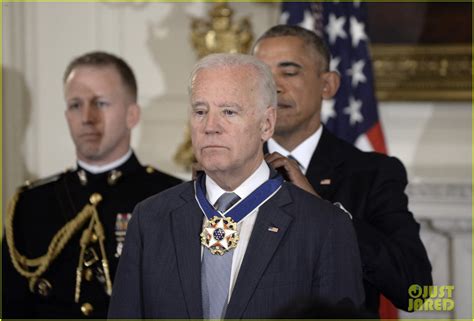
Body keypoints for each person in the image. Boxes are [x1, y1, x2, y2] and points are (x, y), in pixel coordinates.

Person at [108, 53, 365, 319]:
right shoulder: (150, 218)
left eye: (229, 112)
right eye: (200, 111)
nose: (210, 127)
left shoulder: (324, 226)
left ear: (266, 124)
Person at [252, 25, 432, 316]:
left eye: (289, 71)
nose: (273, 86)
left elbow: (417, 290)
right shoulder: (230, 168)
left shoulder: (373, 173)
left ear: (328, 85)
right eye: (262, 75)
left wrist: (324, 211)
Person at [2, 51, 181, 318]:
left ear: (132, 115)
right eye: (76, 104)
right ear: (66, 115)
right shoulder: (31, 204)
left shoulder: (173, 199)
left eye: (101, 103)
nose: (87, 117)